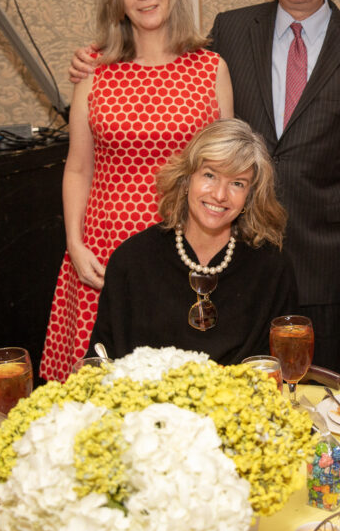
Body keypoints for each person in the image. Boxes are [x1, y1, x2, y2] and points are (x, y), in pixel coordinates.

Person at [69, 0, 340, 373]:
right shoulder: (230, 32)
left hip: (323, 262)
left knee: (316, 391)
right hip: (229, 256)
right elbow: (167, 64)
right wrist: (91, 59)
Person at [40, 0, 233, 382]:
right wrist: (74, 243)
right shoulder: (94, 72)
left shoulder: (210, 68)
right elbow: (78, 168)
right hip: (105, 249)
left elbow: (228, 168)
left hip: (188, 248)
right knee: (104, 392)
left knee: (186, 384)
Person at [90, 119, 296, 363]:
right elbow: (100, 362)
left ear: (250, 196)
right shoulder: (131, 260)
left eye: (237, 183)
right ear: (187, 179)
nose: (220, 195)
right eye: (210, 175)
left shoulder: (271, 266)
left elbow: (281, 367)